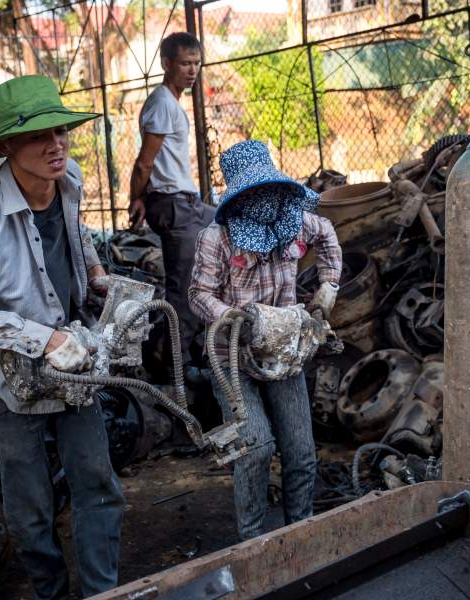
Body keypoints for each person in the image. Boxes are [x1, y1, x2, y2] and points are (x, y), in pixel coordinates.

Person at [0, 74, 124, 600]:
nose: (55, 144)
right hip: (5, 377)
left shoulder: (71, 180)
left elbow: (78, 236)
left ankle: (101, 592)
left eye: (61, 130)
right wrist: (40, 339)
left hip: (72, 358)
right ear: (6, 146)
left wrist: (96, 276)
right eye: (38, 135)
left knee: (97, 482)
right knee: (29, 502)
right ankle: (49, 590)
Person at [188, 140, 343, 541]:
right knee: (256, 448)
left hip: (284, 353)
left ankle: (299, 535)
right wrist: (230, 317)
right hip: (232, 357)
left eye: (266, 189)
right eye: (251, 192)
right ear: (238, 196)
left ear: (278, 187)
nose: (262, 199)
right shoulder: (216, 238)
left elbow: (327, 234)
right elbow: (198, 294)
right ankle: (253, 544)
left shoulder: (296, 220)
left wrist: (329, 286)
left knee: (301, 452)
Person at [129, 31, 213, 368]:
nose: (192, 70)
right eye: (184, 63)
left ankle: (196, 344)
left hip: (186, 203)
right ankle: (171, 370)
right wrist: (137, 198)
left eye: (196, 63)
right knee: (184, 292)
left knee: (230, 226)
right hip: (174, 205)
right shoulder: (163, 104)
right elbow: (144, 161)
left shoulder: (170, 102)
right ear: (167, 64)